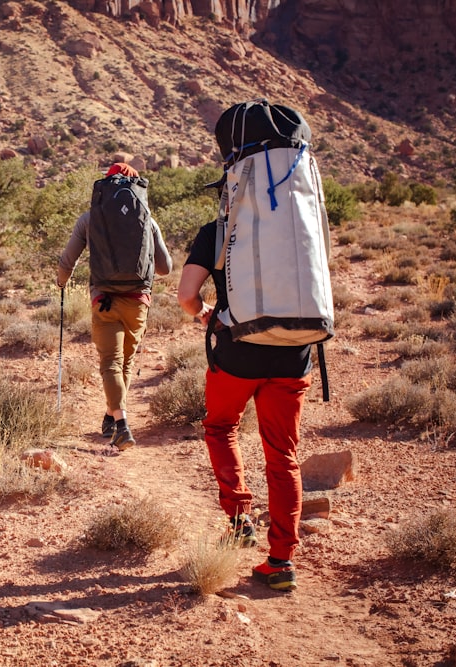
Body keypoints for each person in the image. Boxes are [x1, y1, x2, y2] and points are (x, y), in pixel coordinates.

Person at [176, 208, 312, 592]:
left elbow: (187, 295)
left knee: (220, 428)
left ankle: (239, 522)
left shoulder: (217, 230)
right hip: (293, 352)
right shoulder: (300, 222)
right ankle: (282, 561)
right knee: (283, 453)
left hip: (237, 354)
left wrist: (204, 312)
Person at [56, 163, 172, 451]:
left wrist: (61, 282)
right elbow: (166, 268)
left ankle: (119, 422)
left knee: (110, 362)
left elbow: (67, 259)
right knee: (126, 363)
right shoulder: (147, 218)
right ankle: (112, 416)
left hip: (104, 299)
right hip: (138, 302)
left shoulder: (90, 218)